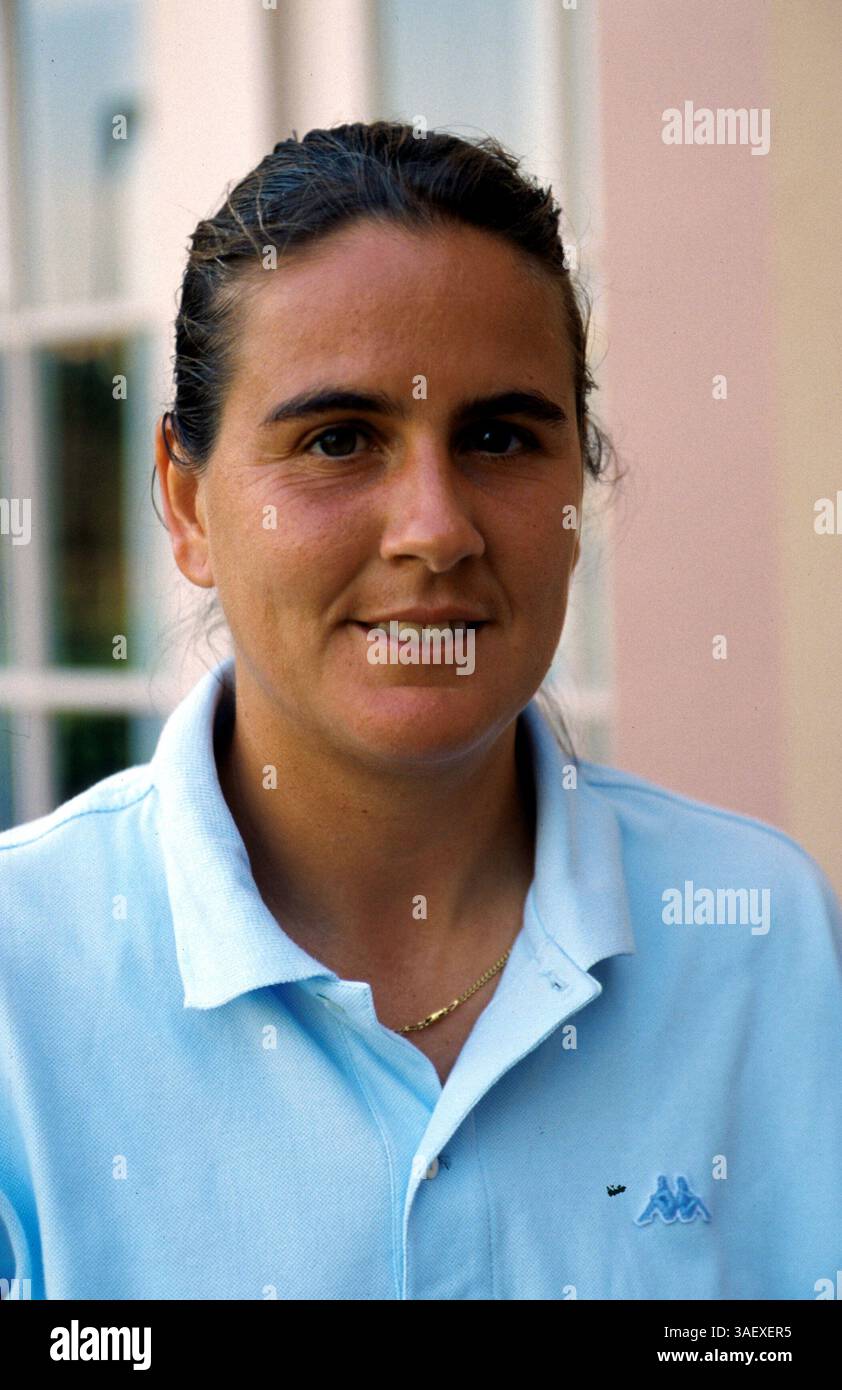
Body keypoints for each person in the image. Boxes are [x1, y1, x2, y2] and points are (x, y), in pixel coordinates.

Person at [1, 122, 840, 1302]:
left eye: (499, 436)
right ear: (187, 503)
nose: (435, 529)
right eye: (339, 440)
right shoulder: (21, 984)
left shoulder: (763, 942)